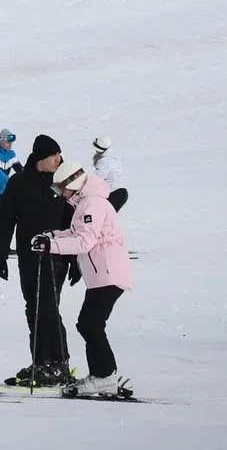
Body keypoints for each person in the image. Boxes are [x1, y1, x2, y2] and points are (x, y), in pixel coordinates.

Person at [34, 160, 133, 397]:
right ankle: (102, 375)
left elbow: (85, 241)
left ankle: (104, 376)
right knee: (89, 323)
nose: (58, 193)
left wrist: (52, 245)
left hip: (107, 272)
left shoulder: (92, 204)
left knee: (90, 324)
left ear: (73, 183)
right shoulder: (86, 202)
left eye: (60, 188)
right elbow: (77, 233)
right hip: (101, 274)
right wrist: (53, 235)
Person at [0, 134, 76, 387]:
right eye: (54, 156)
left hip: (57, 255)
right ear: (41, 158)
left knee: (49, 307)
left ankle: (59, 363)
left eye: (60, 155)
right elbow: (5, 218)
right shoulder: (19, 182)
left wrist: (75, 258)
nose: (59, 160)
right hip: (29, 255)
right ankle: (40, 361)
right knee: (33, 308)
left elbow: (72, 221)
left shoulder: (64, 182)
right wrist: (0, 253)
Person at [91, 136, 128, 211]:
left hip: (114, 193)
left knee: (103, 215)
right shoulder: (115, 158)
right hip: (122, 192)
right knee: (109, 216)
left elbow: (95, 180)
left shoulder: (104, 161)